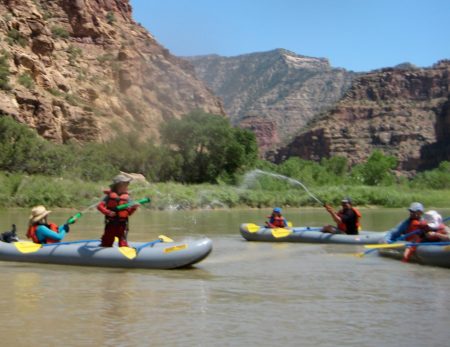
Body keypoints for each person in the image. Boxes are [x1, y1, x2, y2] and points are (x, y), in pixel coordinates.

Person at [97, 174, 138, 247]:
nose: (127, 186)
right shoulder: (109, 196)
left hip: (122, 226)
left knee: (123, 244)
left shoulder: (127, 198)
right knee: (106, 243)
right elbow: (99, 206)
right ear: (119, 185)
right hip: (110, 224)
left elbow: (129, 213)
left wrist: (134, 208)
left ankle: (123, 252)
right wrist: (108, 212)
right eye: (126, 184)